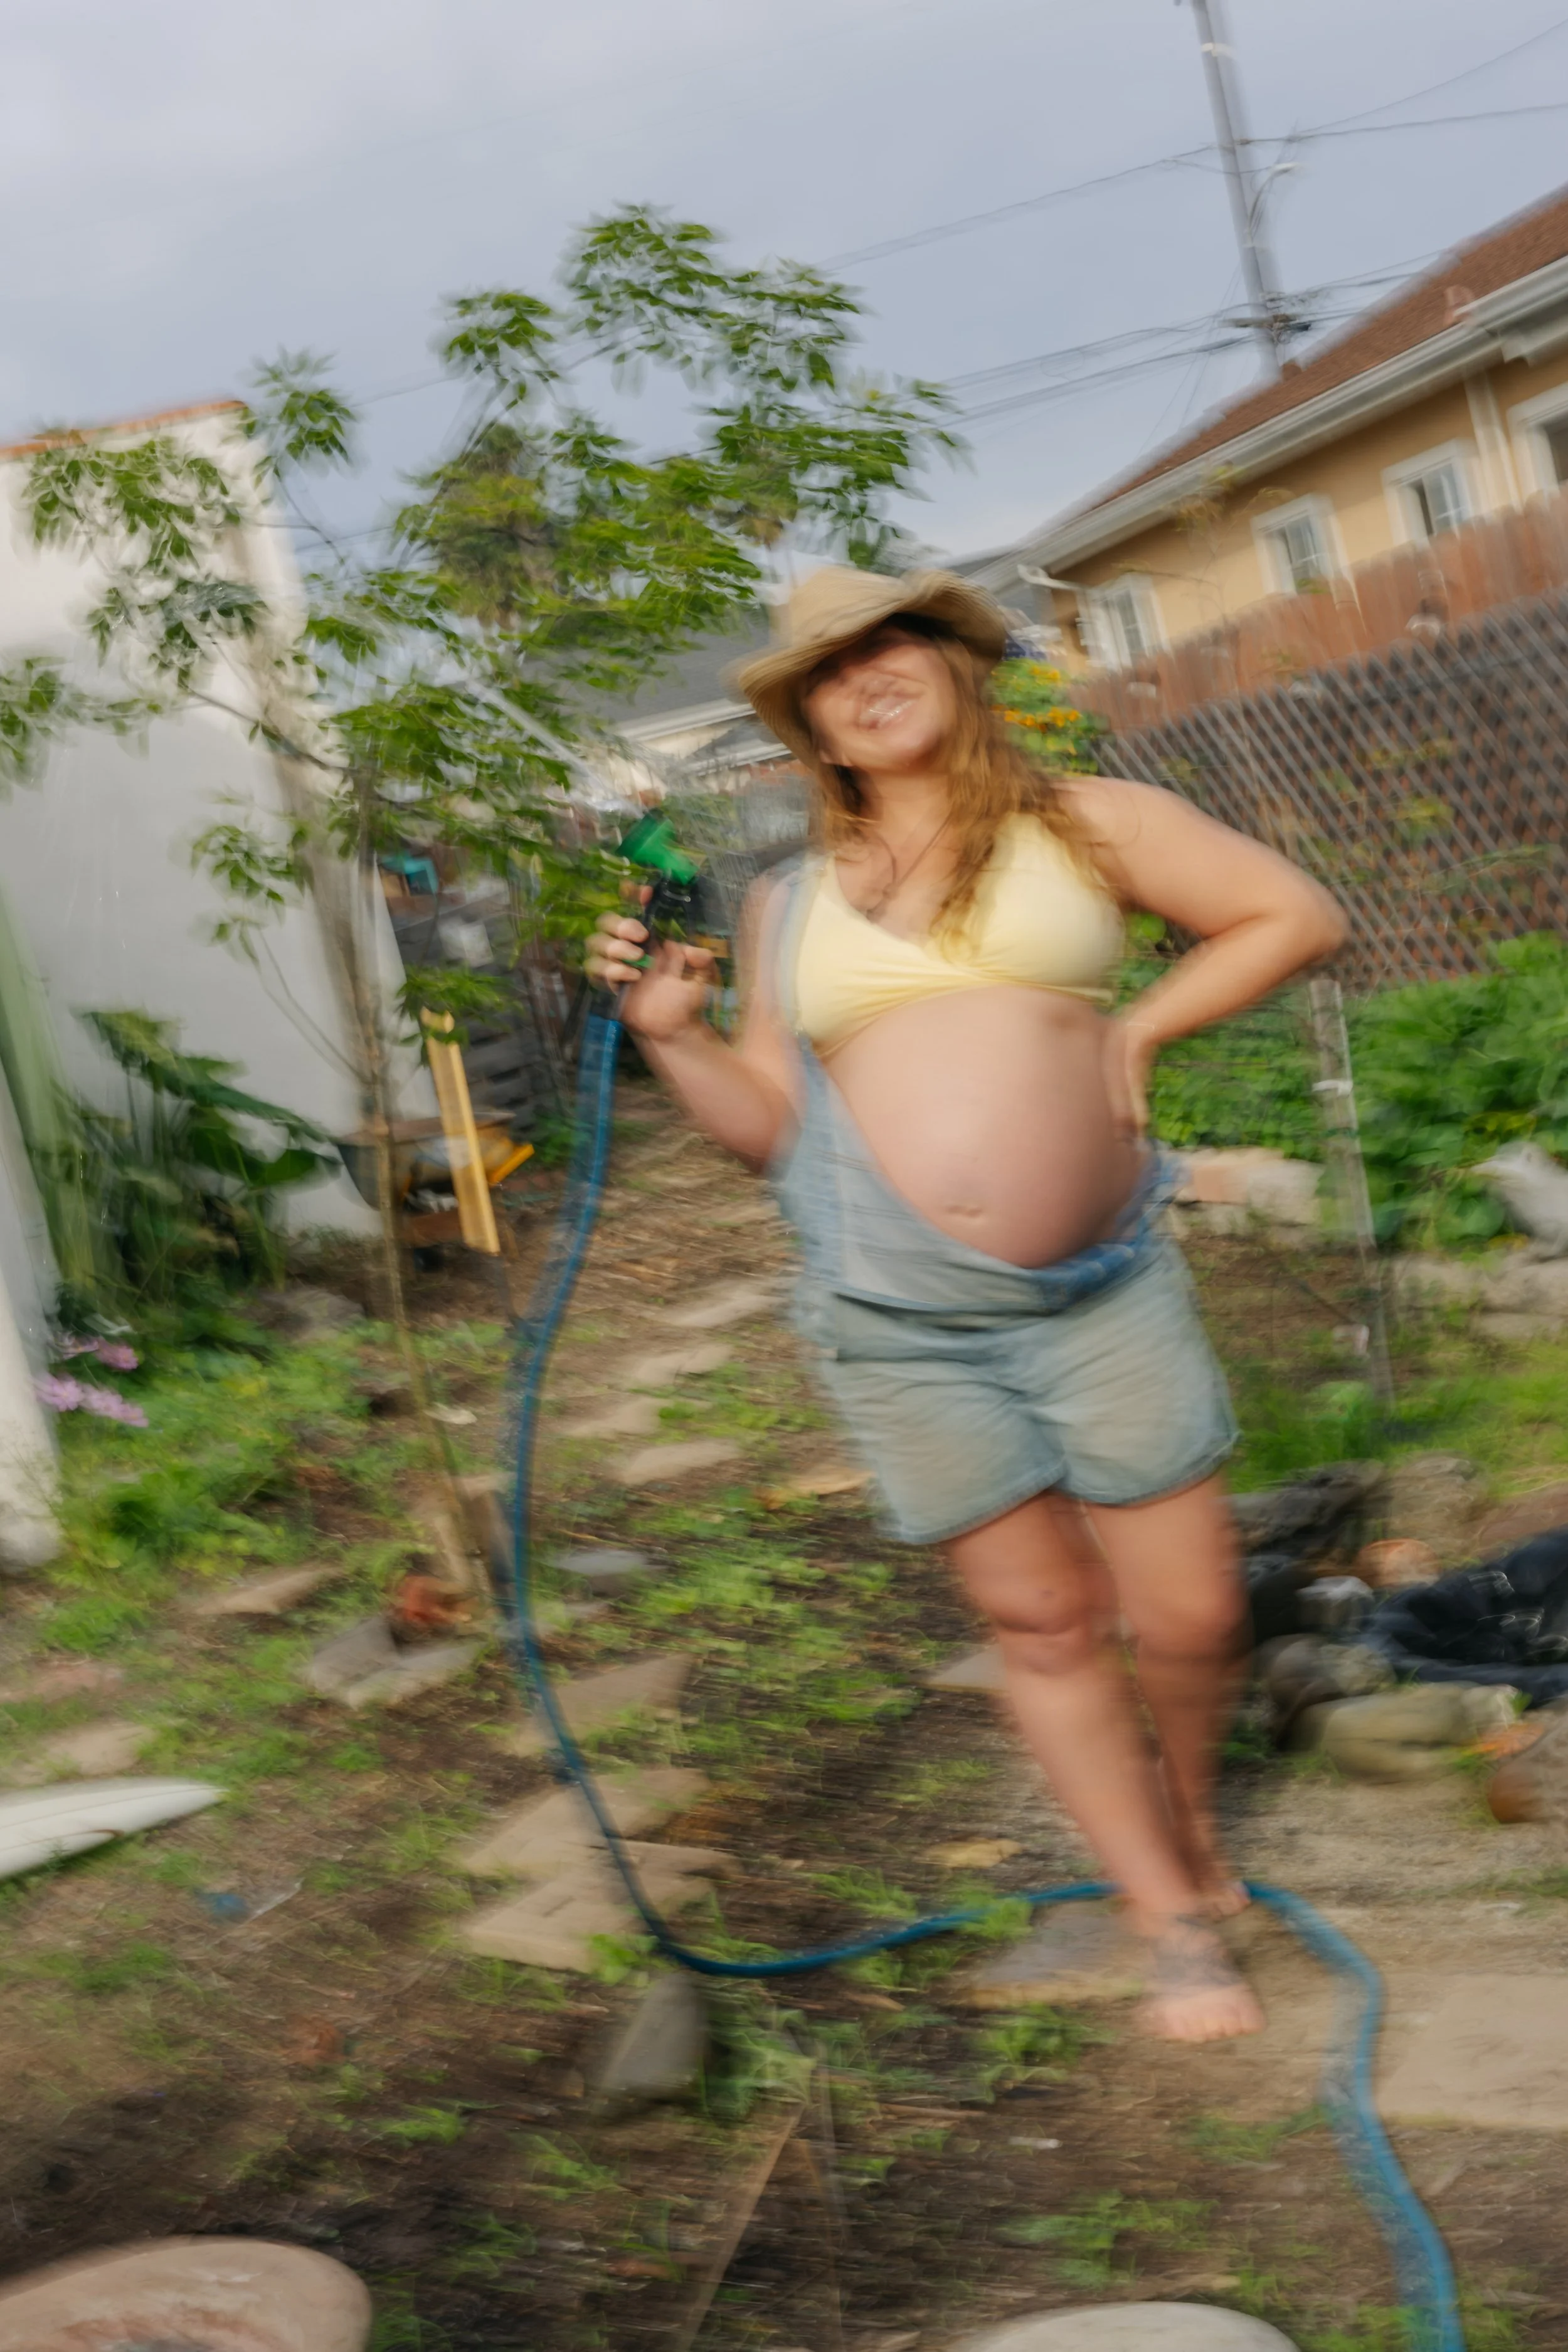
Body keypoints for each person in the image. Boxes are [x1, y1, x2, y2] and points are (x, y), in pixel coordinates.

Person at [587, 568, 1346, 2040]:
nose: (863, 676)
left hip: (1098, 1289)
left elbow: (1286, 914)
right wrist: (667, 1041)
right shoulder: (787, 898)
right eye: (828, 670)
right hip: (896, 1317)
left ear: (951, 662)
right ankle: (1165, 1908)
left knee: (1189, 1617)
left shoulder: (1090, 821)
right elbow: (770, 1124)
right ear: (811, 722)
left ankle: (1187, 1825)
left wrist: (1137, 1024)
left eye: (890, 645)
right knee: (1042, 1622)